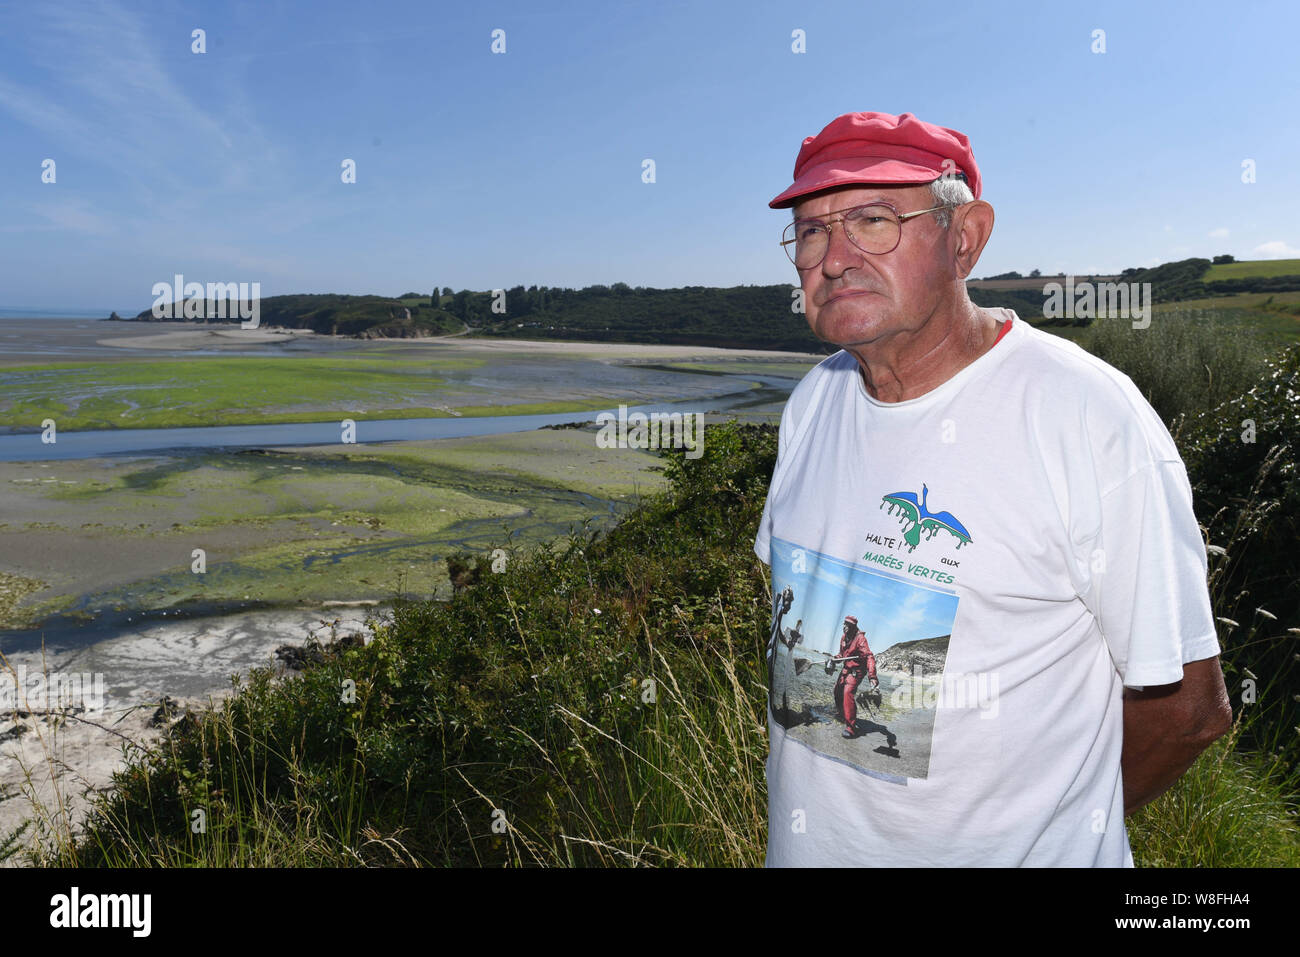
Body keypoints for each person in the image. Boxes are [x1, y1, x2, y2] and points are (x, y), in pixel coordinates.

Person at [752, 111, 1232, 867]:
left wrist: (1052, 832)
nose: (833, 259)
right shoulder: (813, 403)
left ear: (965, 238)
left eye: (873, 221)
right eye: (811, 231)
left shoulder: (1084, 417)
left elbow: (1188, 711)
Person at [829, 616, 879, 738]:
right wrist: (835, 659)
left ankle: (851, 728)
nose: (845, 627)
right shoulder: (844, 637)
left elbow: (869, 657)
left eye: (848, 625)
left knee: (847, 692)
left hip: (857, 671)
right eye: (844, 624)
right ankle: (842, 713)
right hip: (846, 669)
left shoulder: (860, 639)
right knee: (837, 690)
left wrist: (872, 676)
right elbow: (842, 654)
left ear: (853, 627)